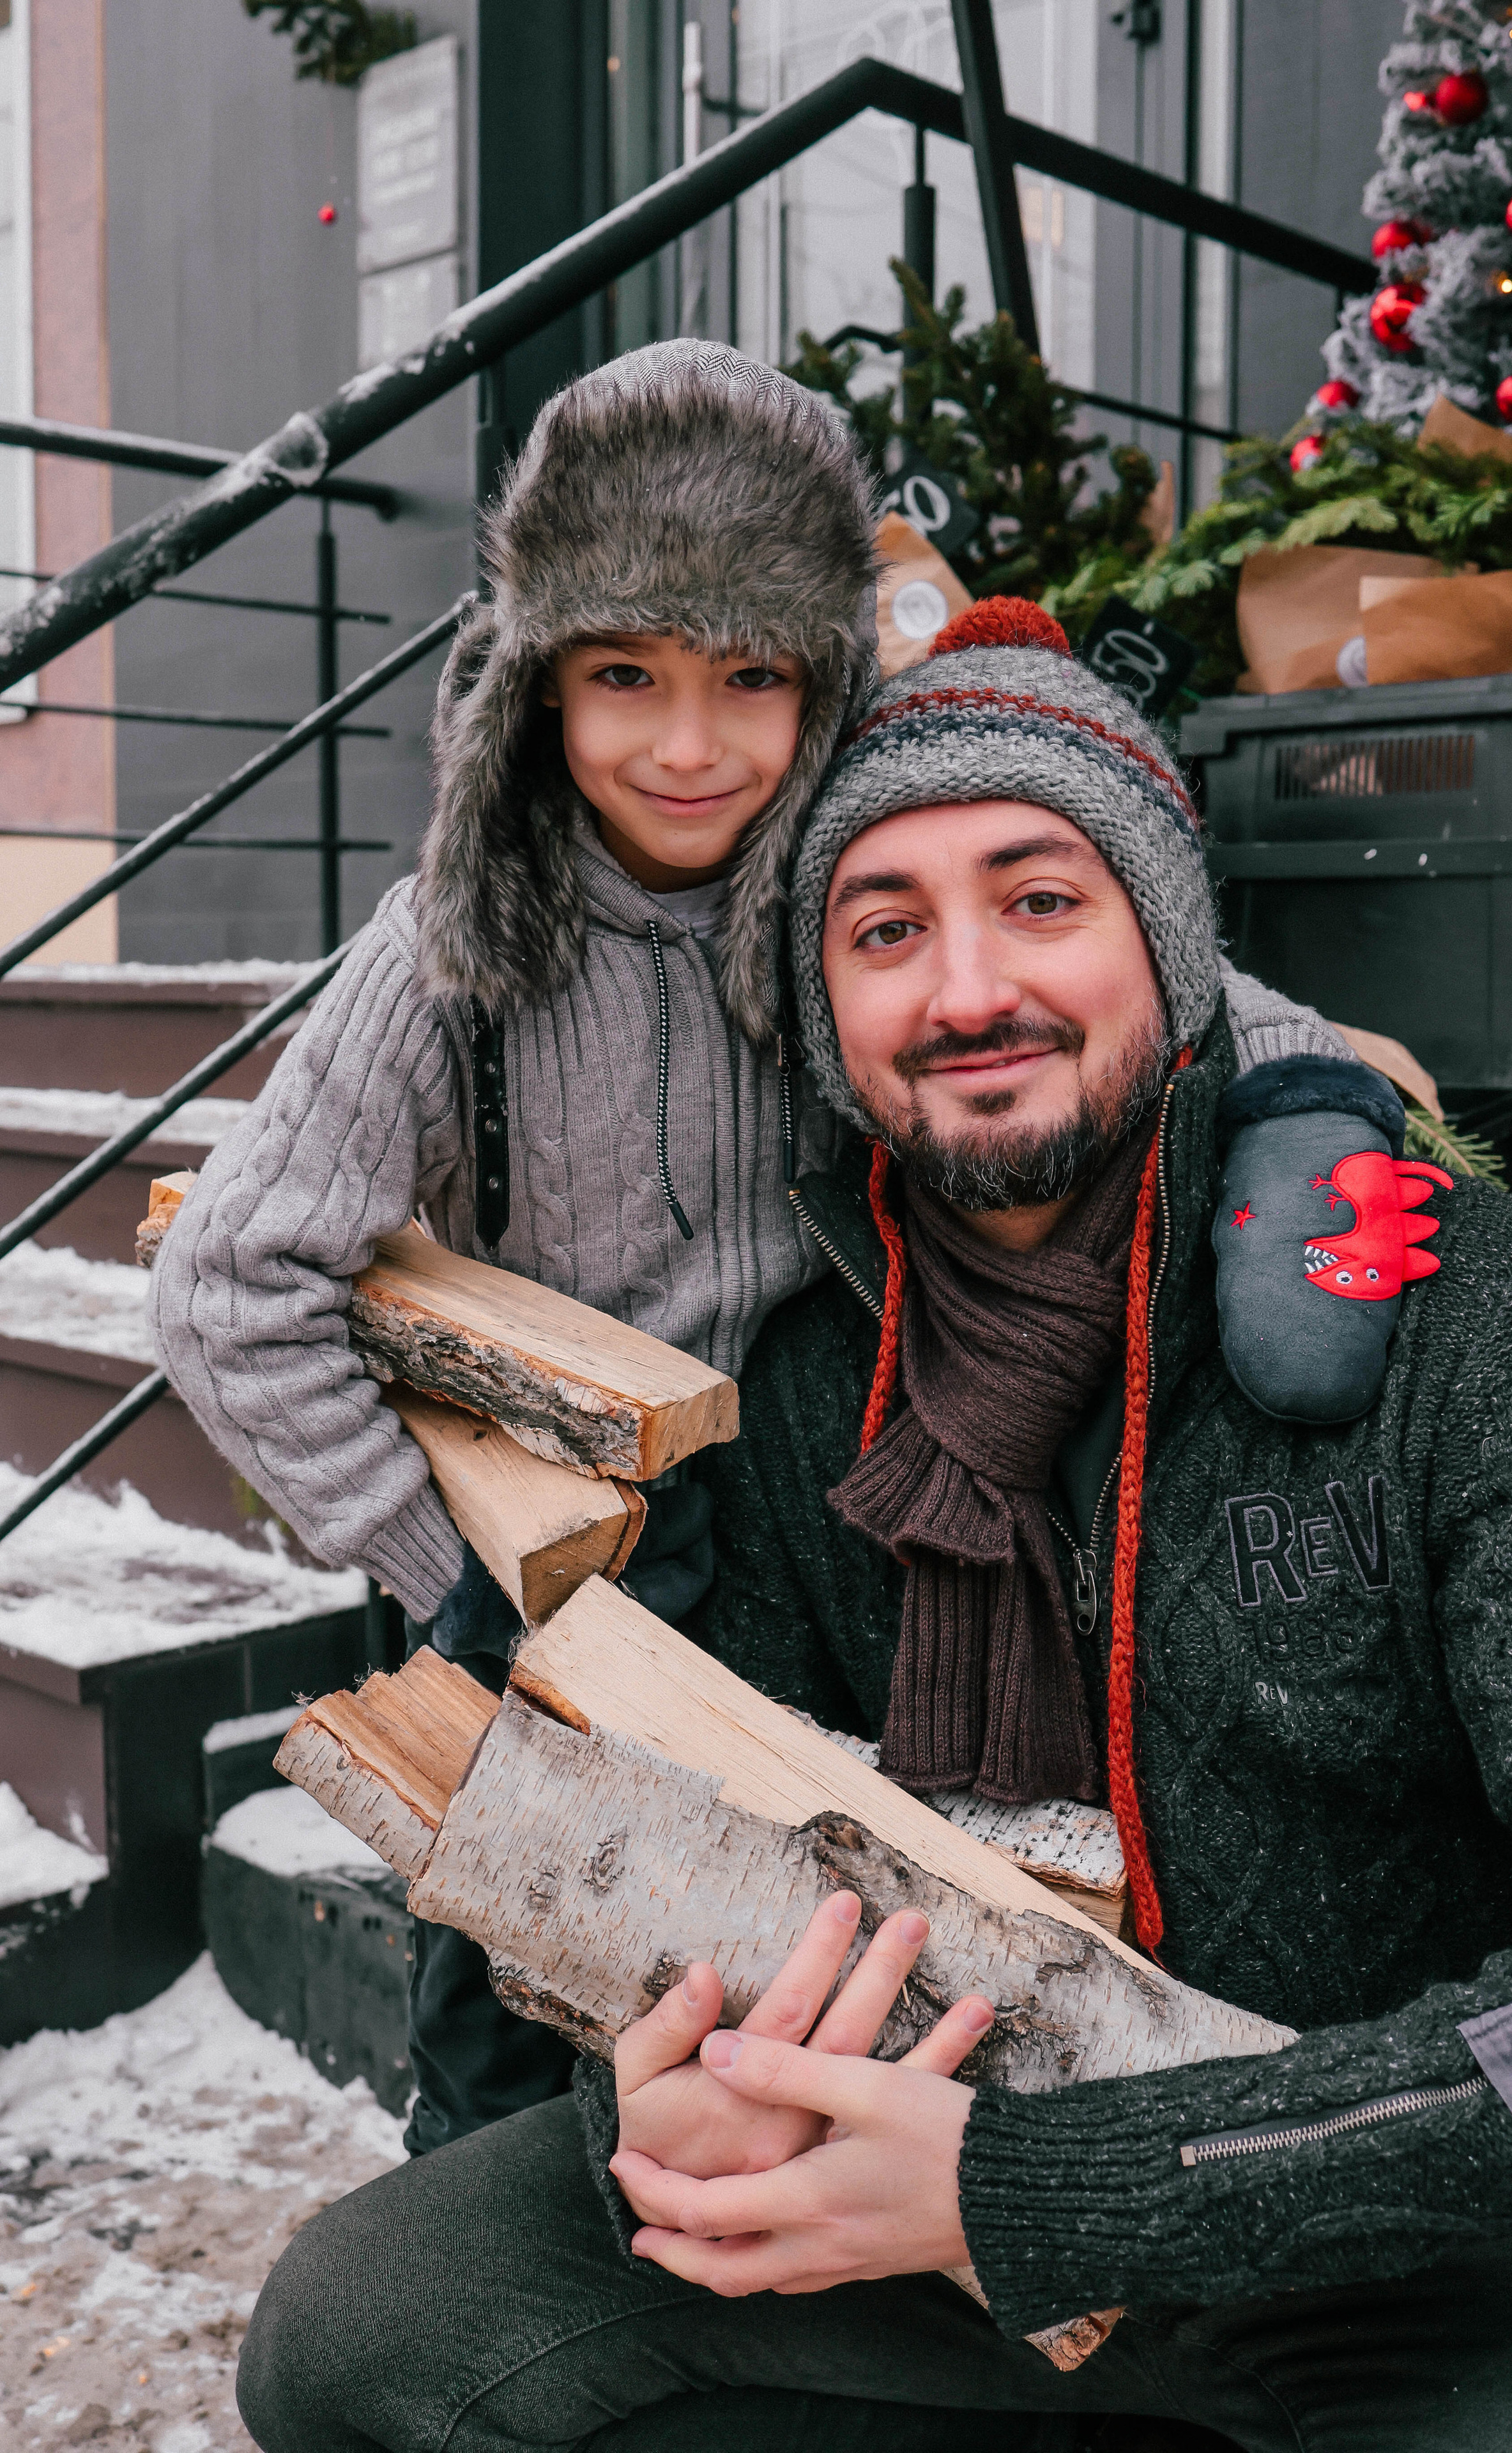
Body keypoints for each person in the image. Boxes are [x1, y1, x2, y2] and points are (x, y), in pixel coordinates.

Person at [234, 597, 1512, 2453]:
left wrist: (1038, 2186)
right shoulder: (812, 1385)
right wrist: (659, 2088)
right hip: (919, 2205)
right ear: (825, 1017)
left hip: (1386, 2244)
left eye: (1041, 900)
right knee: (360, 2332)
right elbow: (724, 1857)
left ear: (1172, 944)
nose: (968, 990)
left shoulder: (1481, 1320)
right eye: (886, 931)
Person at [151, 337, 880, 2155]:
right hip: (556, 1579)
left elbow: (1089, 950)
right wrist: (452, 1573)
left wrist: (1315, 1087)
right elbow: (232, 1286)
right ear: (537, 682)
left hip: (820, 1553)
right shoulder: (449, 953)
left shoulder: (873, 889)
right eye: (623, 671)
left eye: (751, 674)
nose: (688, 742)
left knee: (783, 2037)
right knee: (500, 2063)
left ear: (827, 682)